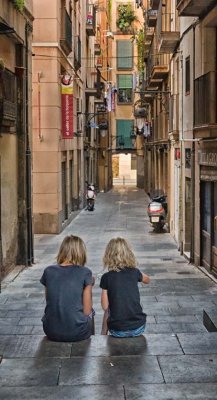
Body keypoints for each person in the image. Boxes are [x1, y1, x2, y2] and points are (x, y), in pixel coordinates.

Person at [40, 235, 95, 342]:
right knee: (92, 312)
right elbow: (87, 311)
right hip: (78, 332)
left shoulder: (48, 271)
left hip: (50, 331)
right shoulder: (85, 272)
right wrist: (90, 284)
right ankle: (91, 339)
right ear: (81, 253)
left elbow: (50, 300)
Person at [100, 237, 150, 337]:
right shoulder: (134, 272)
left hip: (117, 330)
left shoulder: (106, 277)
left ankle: (103, 334)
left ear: (108, 255)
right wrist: (135, 271)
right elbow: (147, 280)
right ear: (128, 254)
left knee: (109, 311)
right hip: (138, 327)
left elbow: (105, 306)